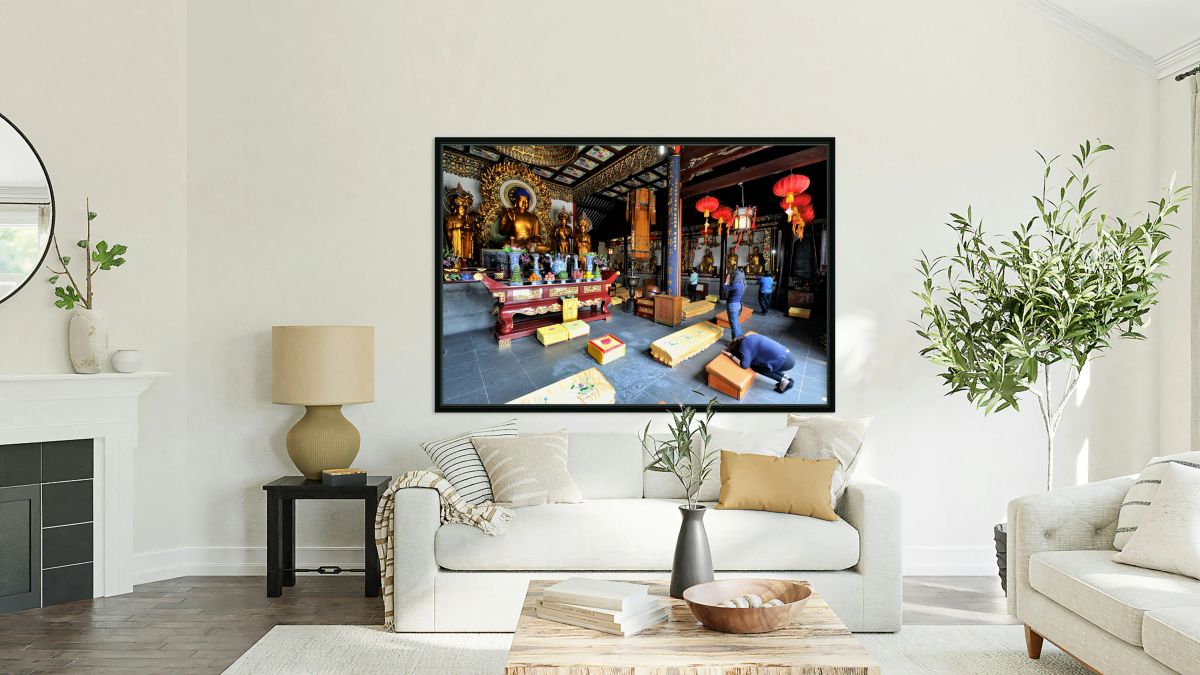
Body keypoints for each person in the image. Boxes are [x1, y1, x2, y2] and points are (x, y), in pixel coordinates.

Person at [724, 334, 795, 393]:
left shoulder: (743, 347)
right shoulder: (750, 336)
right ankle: (788, 378)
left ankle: (784, 381)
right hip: (788, 355)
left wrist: (730, 355)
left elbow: (745, 365)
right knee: (769, 363)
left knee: (756, 367)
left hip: (783, 362)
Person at [722, 268, 746, 339]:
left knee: (733, 324)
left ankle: (735, 343)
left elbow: (724, 289)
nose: (732, 275)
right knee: (736, 322)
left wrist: (726, 281)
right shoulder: (741, 284)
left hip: (733, 305)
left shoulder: (736, 285)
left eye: (733, 274)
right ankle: (740, 339)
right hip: (737, 304)